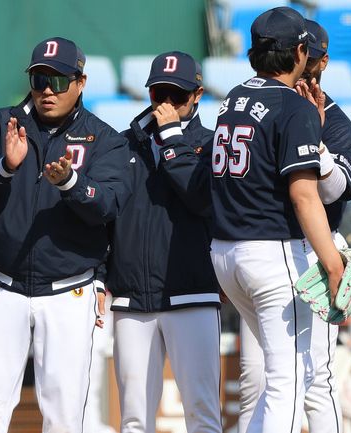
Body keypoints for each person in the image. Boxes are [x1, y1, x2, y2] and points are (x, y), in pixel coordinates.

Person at [0, 36, 130, 433]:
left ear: (81, 82)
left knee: (66, 415)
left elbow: (109, 205)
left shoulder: (105, 138)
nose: (47, 90)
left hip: (69, 292)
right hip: (3, 287)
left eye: (59, 80)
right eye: (39, 79)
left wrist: (71, 183)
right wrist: (3, 166)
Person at [209, 7, 346, 433]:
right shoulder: (294, 106)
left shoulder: (231, 98)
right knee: (289, 383)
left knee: (280, 377)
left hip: (226, 255)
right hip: (272, 255)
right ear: (301, 52)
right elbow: (305, 197)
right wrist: (333, 261)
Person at [106, 51, 222, 433]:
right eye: (160, 94)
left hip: (192, 293)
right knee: (134, 419)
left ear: (197, 95)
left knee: (202, 413)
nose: (168, 104)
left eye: (178, 95)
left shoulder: (213, 143)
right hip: (131, 299)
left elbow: (202, 198)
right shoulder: (124, 146)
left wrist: (172, 138)